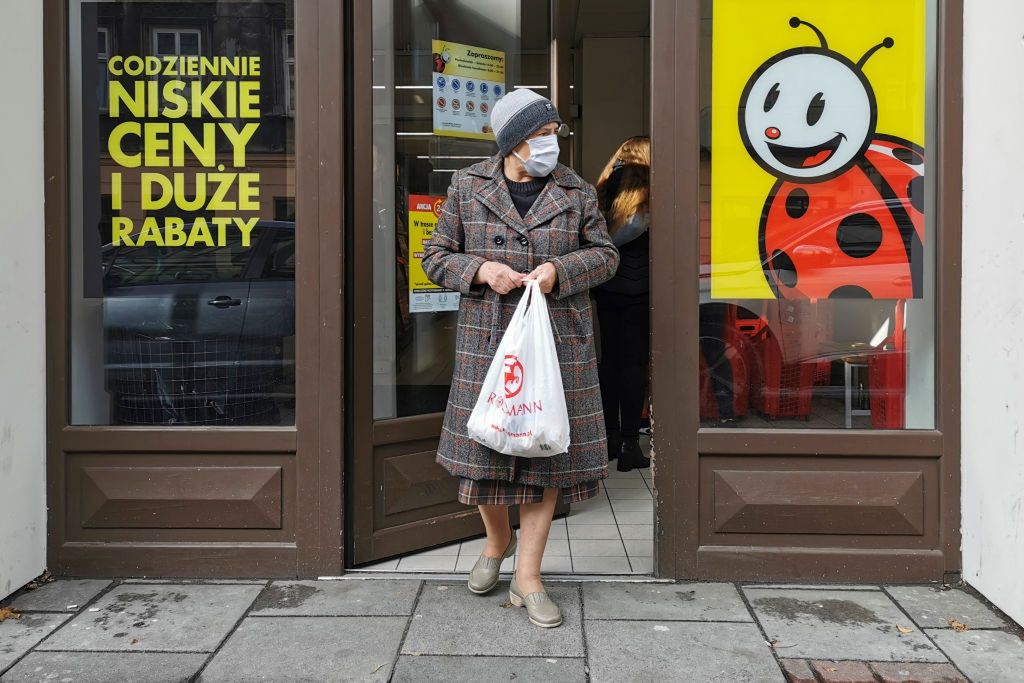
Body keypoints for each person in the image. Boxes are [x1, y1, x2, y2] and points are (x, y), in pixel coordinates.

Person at [421, 88, 619, 629]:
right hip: (488, 342)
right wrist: (481, 271)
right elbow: (434, 256)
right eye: (542, 134)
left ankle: (528, 576)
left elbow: (605, 256)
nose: (552, 142)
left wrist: (560, 272)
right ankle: (496, 541)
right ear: (513, 140)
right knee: (485, 451)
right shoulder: (468, 185)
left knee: (544, 450)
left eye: (555, 133)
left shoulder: (576, 191)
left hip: (557, 342)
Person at [593, 136, 653, 471]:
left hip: (607, 288)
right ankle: (630, 444)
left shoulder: (603, 186)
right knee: (634, 365)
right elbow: (634, 228)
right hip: (640, 291)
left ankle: (610, 440)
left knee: (610, 364)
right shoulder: (647, 191)